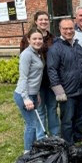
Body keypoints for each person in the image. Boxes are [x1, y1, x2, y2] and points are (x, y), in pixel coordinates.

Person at [20, 11, 59, 140]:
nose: (43, 22)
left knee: (52, 108)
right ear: (36, 21)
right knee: (40, 110)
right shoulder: (28, 38)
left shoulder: (53, 38)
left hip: (51, 80)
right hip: (36, 83)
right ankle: (41, 136)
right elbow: (24, 61)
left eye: (46, 19)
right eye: (40, 19)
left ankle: (54, 135)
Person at [47, 19, 82, 145]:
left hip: (81, 88)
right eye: (65, 29)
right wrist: (59, 91)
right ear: (60, 30)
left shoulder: (77, 46)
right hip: (67, 91)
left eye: (71, 28)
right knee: (67, 119)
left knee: (80, 117)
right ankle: (68, 143)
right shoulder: (55, 48)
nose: (69, 31)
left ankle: (78, 137)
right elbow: (52, 70)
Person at [14, 28, 44, 153]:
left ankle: (33, 149)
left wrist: (36, 94)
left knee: (33, 123)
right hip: (23, 95)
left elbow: (34, 77)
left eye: (40, 38)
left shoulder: (36, 53)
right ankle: (27, 153)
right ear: (28, 40)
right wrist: (26, 98)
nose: (38, 41)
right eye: (34, 39)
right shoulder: (26, 54)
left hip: (32, 94)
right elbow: (24, 77)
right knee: (31, 124)